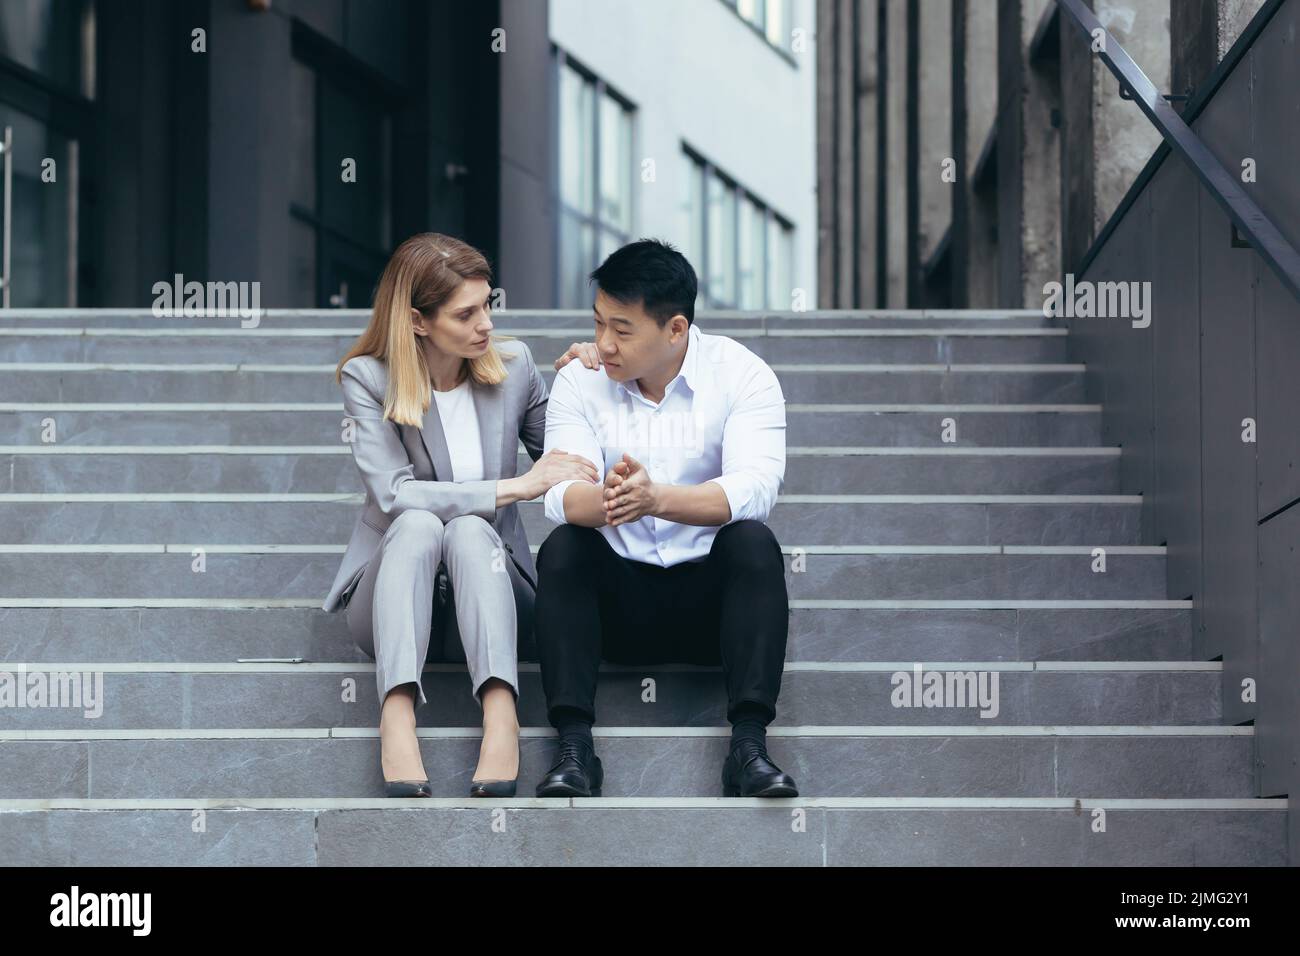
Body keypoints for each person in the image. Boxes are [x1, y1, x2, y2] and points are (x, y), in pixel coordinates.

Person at [320, 232, 601, 798]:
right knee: (420, 521)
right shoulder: (369, 379)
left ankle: (502, 714)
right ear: (419, 322)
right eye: (466, 314)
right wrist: (512, 487)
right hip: (395, 594)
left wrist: (590, 382)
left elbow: (576, 457)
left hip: (495, 593)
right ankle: (397, 713)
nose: (487, 325)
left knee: (471, 530)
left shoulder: (516, 367)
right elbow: (396, 494)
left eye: (488, 305)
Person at [533, 238, 798, 799]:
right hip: (618, 610)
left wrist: (657, 499)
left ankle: (748, 747)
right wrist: (610, 500)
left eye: (622, 330)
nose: (604, 343)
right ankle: (575, 750)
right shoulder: (581, 379)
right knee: (564, 547)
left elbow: (753, 489)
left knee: (753, 542)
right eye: (599, 323)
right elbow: (557, 491)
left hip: (710, 610)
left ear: (675, 329)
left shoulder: (743, 375)